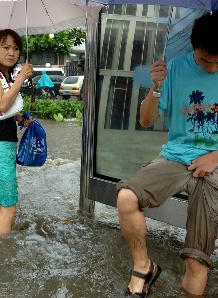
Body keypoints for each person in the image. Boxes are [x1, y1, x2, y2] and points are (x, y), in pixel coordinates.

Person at [117, 13, 218, 297]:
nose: (211, 67)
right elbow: (146, 120)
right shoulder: (174, 68)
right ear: (194, 48)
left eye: (217, 62)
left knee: (196, 264)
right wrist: (156, 87)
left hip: (214, 164)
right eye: (205, 60)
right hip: (176, 157)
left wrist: (215, 157)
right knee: (126, 196)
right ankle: (143, 267)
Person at [0, 29, 33, 237]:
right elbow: (2, 103)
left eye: (16, 48)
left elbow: (0, 111)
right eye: (5, 47)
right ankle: (0, 256)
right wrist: (21, 77)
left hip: (2, 148)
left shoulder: (4, 74)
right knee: (9, 209)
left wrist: (18, 117)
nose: (12, 52)